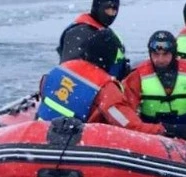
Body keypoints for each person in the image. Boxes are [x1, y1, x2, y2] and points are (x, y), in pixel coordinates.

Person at [36, 29, 164, 135]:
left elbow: (43, 91)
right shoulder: (105, 87)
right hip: (73, 146)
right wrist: (164, 129)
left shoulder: (60, 69)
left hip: (40, 135)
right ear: (110, 58)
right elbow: (130, 126)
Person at [123, 31, 186, 142]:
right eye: (156, 54)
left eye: (165, 54)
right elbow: (127, 112)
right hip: (150, 137)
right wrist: (163, 130)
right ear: (150, 54)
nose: (160, 60)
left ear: (174, 53)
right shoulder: (137, 77)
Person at [56, 0, 130, 80]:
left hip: (114, 87)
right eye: (108, 9)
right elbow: (72, 69)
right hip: (92, 89)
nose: (111, 13)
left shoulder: (109, 33)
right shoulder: (78, 32)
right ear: (97, 6)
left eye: (114, 10)